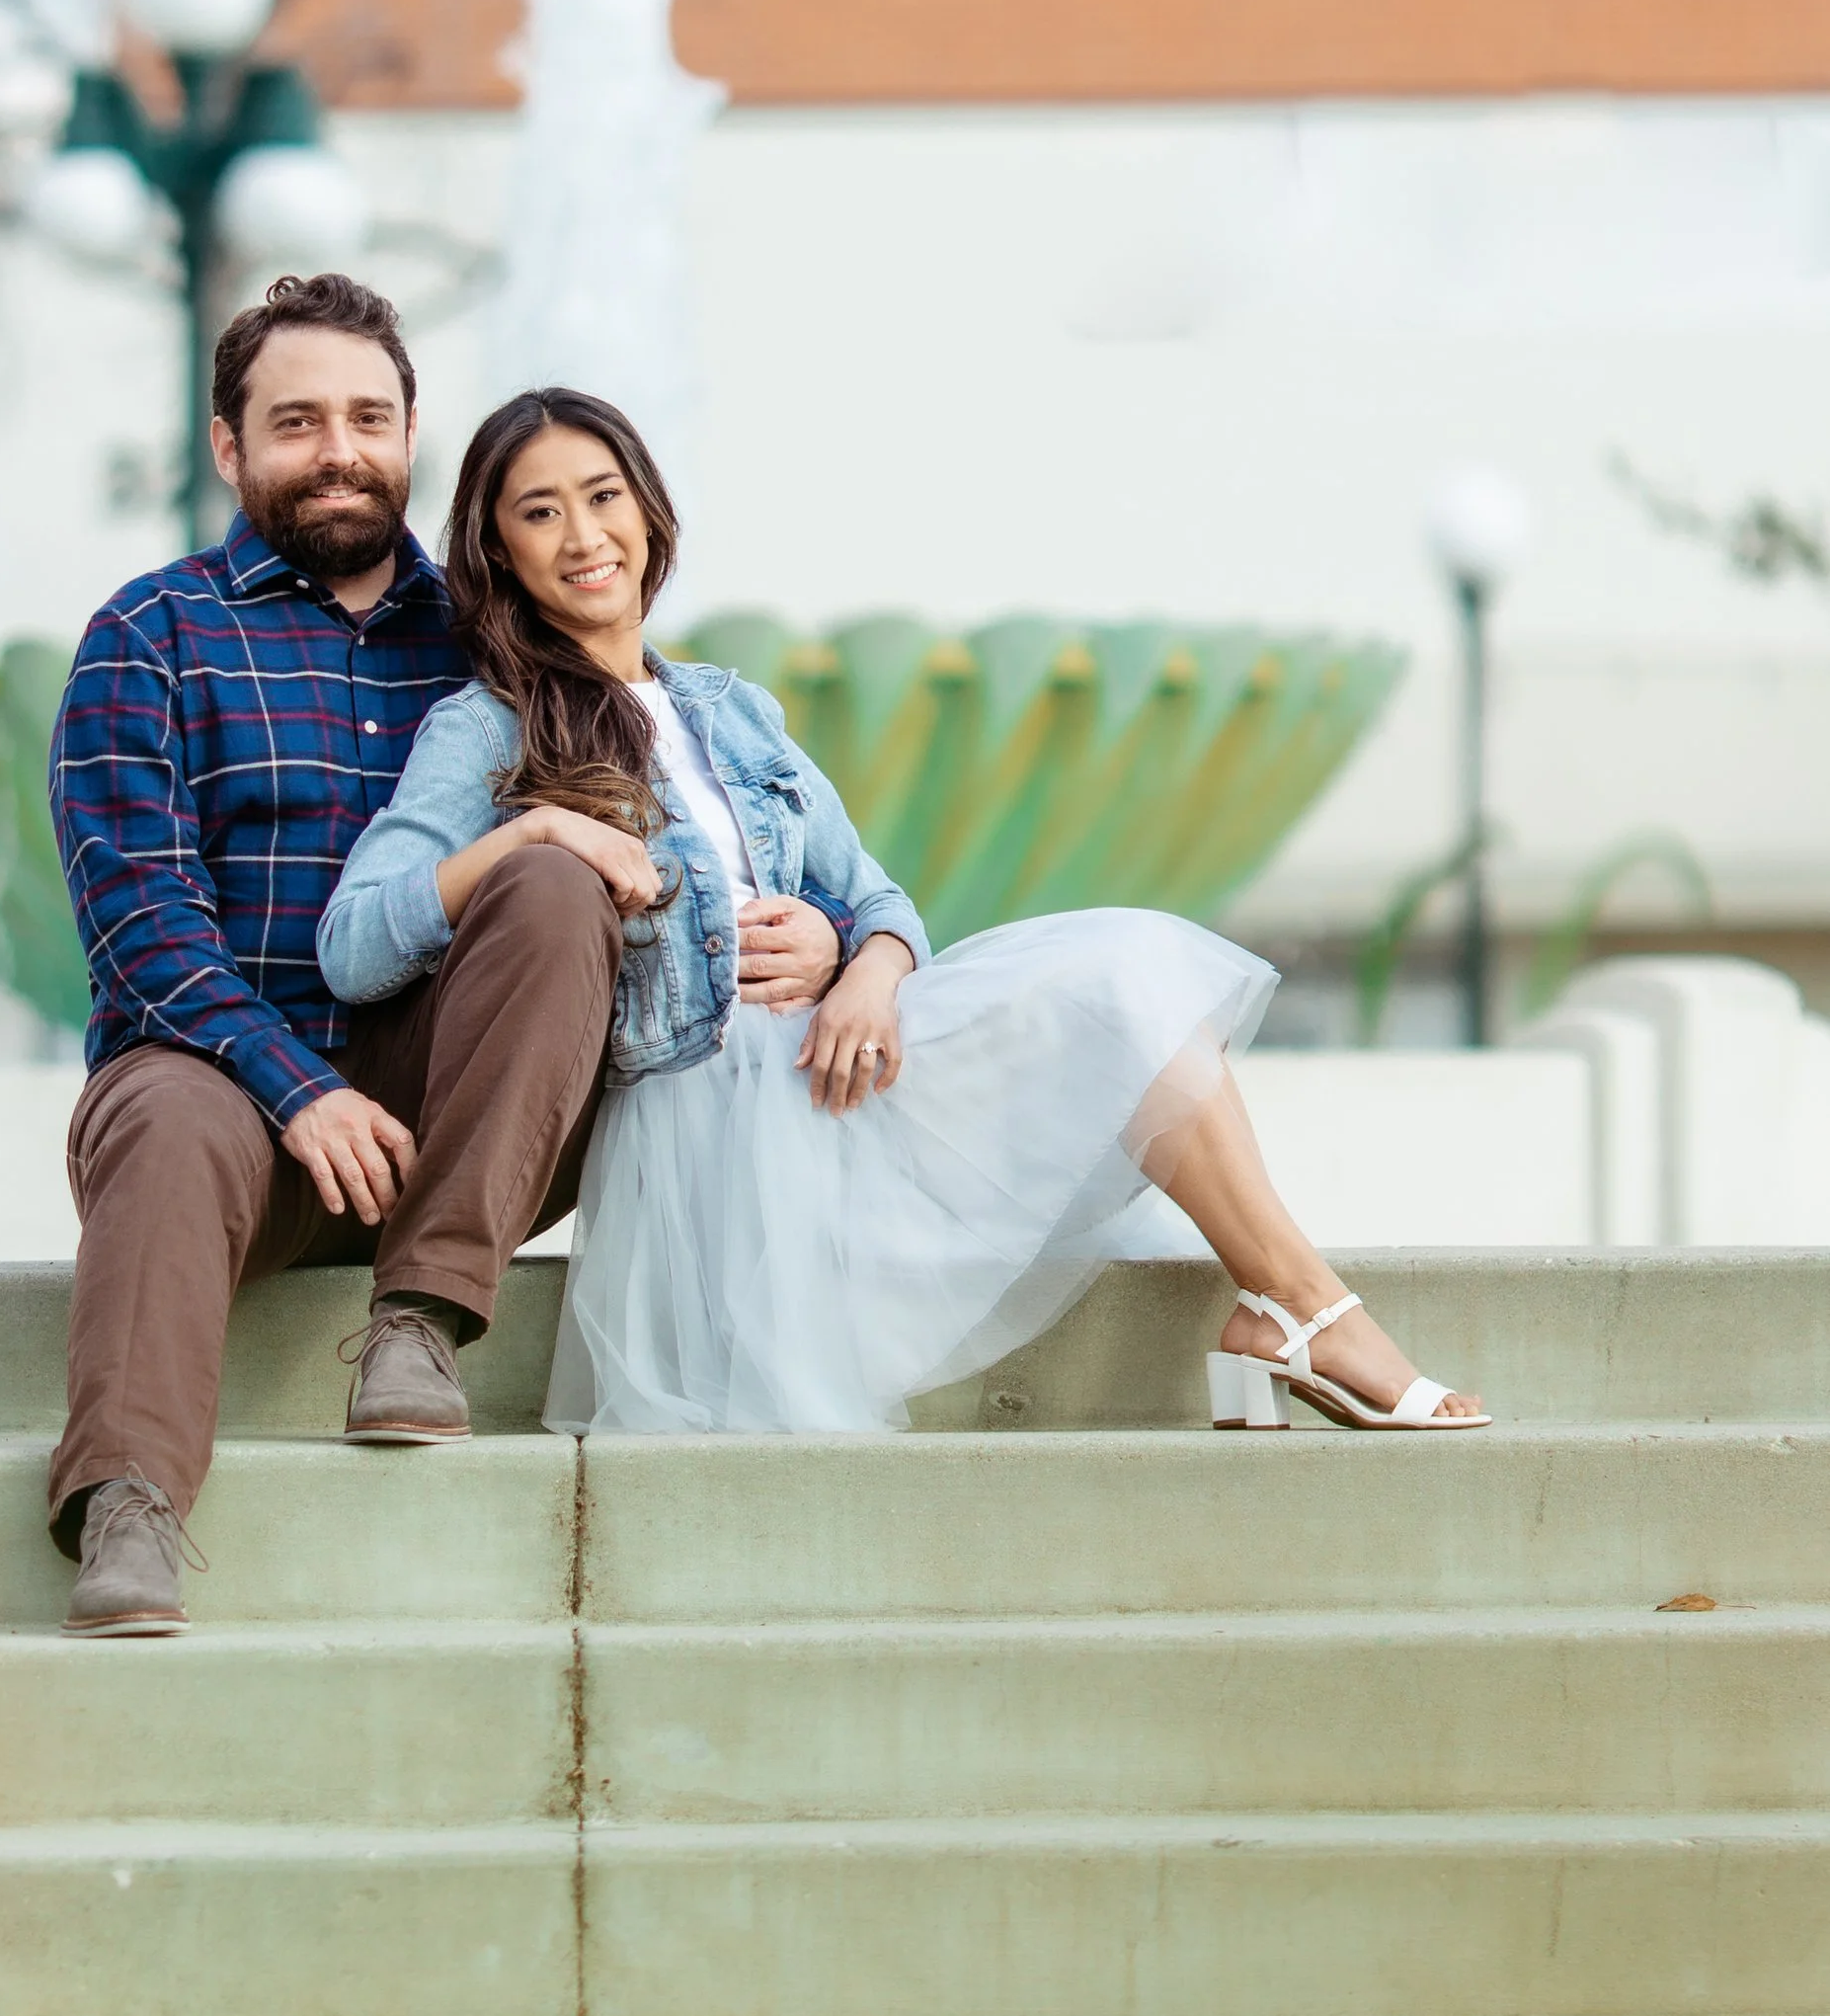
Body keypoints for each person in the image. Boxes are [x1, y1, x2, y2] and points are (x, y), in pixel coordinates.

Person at [318, 387, 1489, 1440]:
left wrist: (860, 961)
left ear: (647, 512)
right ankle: (1309, 1319)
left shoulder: (734, 711)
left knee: (1125, 977)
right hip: (701, 1113)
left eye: (602, 496)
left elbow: (880, 898)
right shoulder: (482, 731)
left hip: (832, 1065)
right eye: (538, 513)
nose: (582, 537)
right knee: (1114, 999)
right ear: (498, 553)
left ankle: (1293, 1306)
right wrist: (534, 831)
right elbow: (355, 940)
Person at [45, 277, 857, 1636]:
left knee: (551, 876)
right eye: (296, 420)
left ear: (411, 431)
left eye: (369, 415)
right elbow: (138, 920)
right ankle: (128, 1504)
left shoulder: (497, 640)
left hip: (464, 1113)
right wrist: (296, 1087)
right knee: (176, 1113)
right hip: (221, 1088)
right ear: (230, 447)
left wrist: (831, 933)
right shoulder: (154, 633)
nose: (340, 447)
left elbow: (707, 808)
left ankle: (421, 1320)